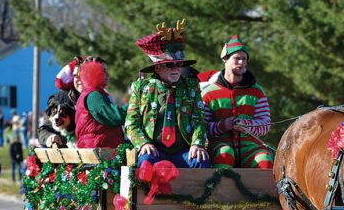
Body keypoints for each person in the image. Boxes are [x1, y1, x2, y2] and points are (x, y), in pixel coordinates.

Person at [125, 19, 210, 168]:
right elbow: (131, 123)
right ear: (157, 68)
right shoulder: (141, 88)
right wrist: (143, 143)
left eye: (179, 64)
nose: (176, 69)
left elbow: (199, 120)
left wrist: (197, 144)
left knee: (200, 160)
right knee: (146, 162)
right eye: (169, 65)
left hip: (183, 151)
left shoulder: (191, 87)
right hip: (155, 151)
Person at [198, 35, 273, 169]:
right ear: (225, 59)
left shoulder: (257, 91)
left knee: (265, 160)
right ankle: (220, 190)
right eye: (237, 58)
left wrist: (247, 125)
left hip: (250, 144)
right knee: (225, 154)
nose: (241, 62)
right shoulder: (208, 93)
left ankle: (261, 191)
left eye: (244, 59)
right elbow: (201, 128)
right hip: (220, 143)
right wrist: (223, 125)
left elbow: (266, 124)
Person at [75, 58, 125, 148]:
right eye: (104, 70)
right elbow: (116, 117)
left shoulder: (93, 93)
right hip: (98, 153)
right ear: (93, 72)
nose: (108, 74)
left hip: (99, 149)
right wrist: (134, 100)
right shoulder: (94, 96)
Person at [38, 57, 84, 147]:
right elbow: (44, 129)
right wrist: (50, 137)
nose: (81, 80)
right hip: (65, 153)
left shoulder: (99, 98)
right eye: (77, 76)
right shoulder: (58, 99)